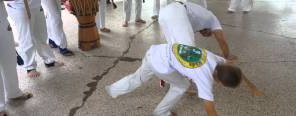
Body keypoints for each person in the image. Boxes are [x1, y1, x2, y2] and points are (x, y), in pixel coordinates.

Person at [106, 43, 263, 116]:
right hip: (161, 65)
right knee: (182, 85)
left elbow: (235, 70)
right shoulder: (204, 79)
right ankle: (160, 113)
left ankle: (112, 90)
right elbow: (210, 110)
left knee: (138, 77)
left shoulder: (216, 60)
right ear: (220, 83)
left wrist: (252, 87)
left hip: (154, 51)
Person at [159, 2, 235, 60]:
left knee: (174, 48)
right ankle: (192, 76)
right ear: (210, 29)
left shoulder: (198, 22)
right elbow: (221, 40)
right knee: (189, 51)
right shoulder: (213, 20)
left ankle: (174, 73)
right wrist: (227, 56)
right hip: (176, 11)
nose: (206, 35)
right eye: (209, 34)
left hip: (164, 13)